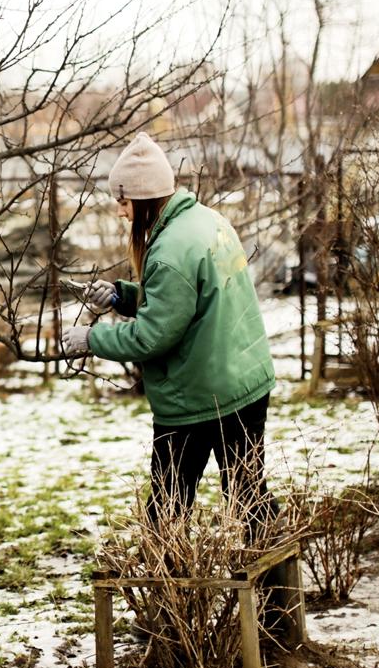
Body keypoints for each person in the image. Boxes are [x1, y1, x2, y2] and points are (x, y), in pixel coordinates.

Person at [60, 132, 278, 540]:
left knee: (167, 510)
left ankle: (166, 599)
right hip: (243, 381)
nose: (121, 214)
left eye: (123, 203)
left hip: (199, 395)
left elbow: (151, 338)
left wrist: (91, 340)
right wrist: (124, 296)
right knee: (250, 498)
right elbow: (189, 300)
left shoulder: (169, 250)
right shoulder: (207, 221)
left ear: (142, 199)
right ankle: (277, 598)